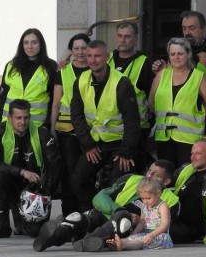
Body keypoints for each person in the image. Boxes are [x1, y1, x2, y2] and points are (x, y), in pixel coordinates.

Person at [33, 160, 179, 252]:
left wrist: (129, 220)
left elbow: (163, 224)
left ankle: (90, 240)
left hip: (125, 228)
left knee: (123, 219)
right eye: (149, 171)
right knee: (80, 217)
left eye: (155, 174)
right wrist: (117, 209)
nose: (149, 176)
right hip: (108, 215)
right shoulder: (132, 180)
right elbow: (100, 197)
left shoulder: (170, 200)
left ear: (166, 182)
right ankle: (50, 238)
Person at [70, 40, 141, 212]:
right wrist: (87, 145)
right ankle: (89, 214)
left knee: (116, 184)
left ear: (107, 57)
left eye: (97, 56)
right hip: (95, 143)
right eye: (89, 56)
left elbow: (132, 120)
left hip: (119, 144)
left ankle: (114, 218)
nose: (93, 60)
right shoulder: (81, 81)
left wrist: (126, 152)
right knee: (79, 179)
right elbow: (76, 115)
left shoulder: (121, 83)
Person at [0, 99, 60, 239]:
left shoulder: (41, 133)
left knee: (34, 232)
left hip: (34, 189)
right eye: (18, 118)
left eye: (26, 117)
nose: (22, 122)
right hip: (10, 184)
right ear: (10, 118)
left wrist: (44, 193)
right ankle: (1, 225)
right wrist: (22, 172)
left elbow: (54, 167)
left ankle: (22, 224)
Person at [149, 37, 206, 167]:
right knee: (166, 175)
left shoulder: (199, 77)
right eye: (173, 54)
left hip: (190, 140)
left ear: (188, 55)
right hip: (163, 137)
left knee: (186, 175)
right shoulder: (161, 75)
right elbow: (151, 102)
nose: (176, 57)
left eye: (180, 53)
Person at [50, 33, 90, 217]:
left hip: (91, 130)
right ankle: (69, 214)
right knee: (69, 173)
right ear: (71, 51)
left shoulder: (97, 68)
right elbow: (56, 103)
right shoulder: (63, 71)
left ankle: (86, 213)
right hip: (67, 131)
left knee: (85, 174)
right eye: (76, 49)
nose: (80, 52)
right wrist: (52, 129)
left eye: (84, 48)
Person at [108, 21, 154, 171]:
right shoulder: (107, 60)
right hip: (110, 128)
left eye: (127, 36)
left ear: (135, 38)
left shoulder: (144, 63)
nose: (122, 40)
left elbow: (152, 97)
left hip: (136, 129)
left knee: (132, 171)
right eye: (120, 36)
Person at [0, 28, 58, 130]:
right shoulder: (11, 66)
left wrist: (48, 126)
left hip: (37, 127)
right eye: (26, 43)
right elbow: (1, 98)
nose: (30, 46)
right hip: (9, 126)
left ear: (41, 44)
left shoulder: (50, 66)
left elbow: (53, 100)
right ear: (22, 45)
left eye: (34, 42)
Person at [106, 177, 174, 251]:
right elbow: (141, 223)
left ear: (158, 194)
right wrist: (134, 233)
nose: (145, 201)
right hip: (146, 233)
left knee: (141, 241)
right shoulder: (144, 207)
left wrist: (152, 235)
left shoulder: (162, 206)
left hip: (160, 236)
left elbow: (165, 224)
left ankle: (122, 244)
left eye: (148, 198)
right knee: (133, 238)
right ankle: (119, 243)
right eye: (143, 199)